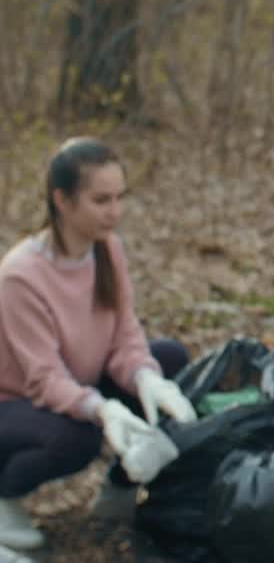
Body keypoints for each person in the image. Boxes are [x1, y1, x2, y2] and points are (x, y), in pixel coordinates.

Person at [0, 138, 197, 554]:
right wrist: (103, 409)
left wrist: (145, 377)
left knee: (169, 359)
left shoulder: (107, 249)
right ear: (63, 200)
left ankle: (121, 486)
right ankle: (4, 496)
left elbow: (125, 335)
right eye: (101, 199)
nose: (116, 211)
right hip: (14, 404)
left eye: (120, 197)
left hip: (78, 377)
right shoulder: (21, 276)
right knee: (77, 438)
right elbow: (43, 379)